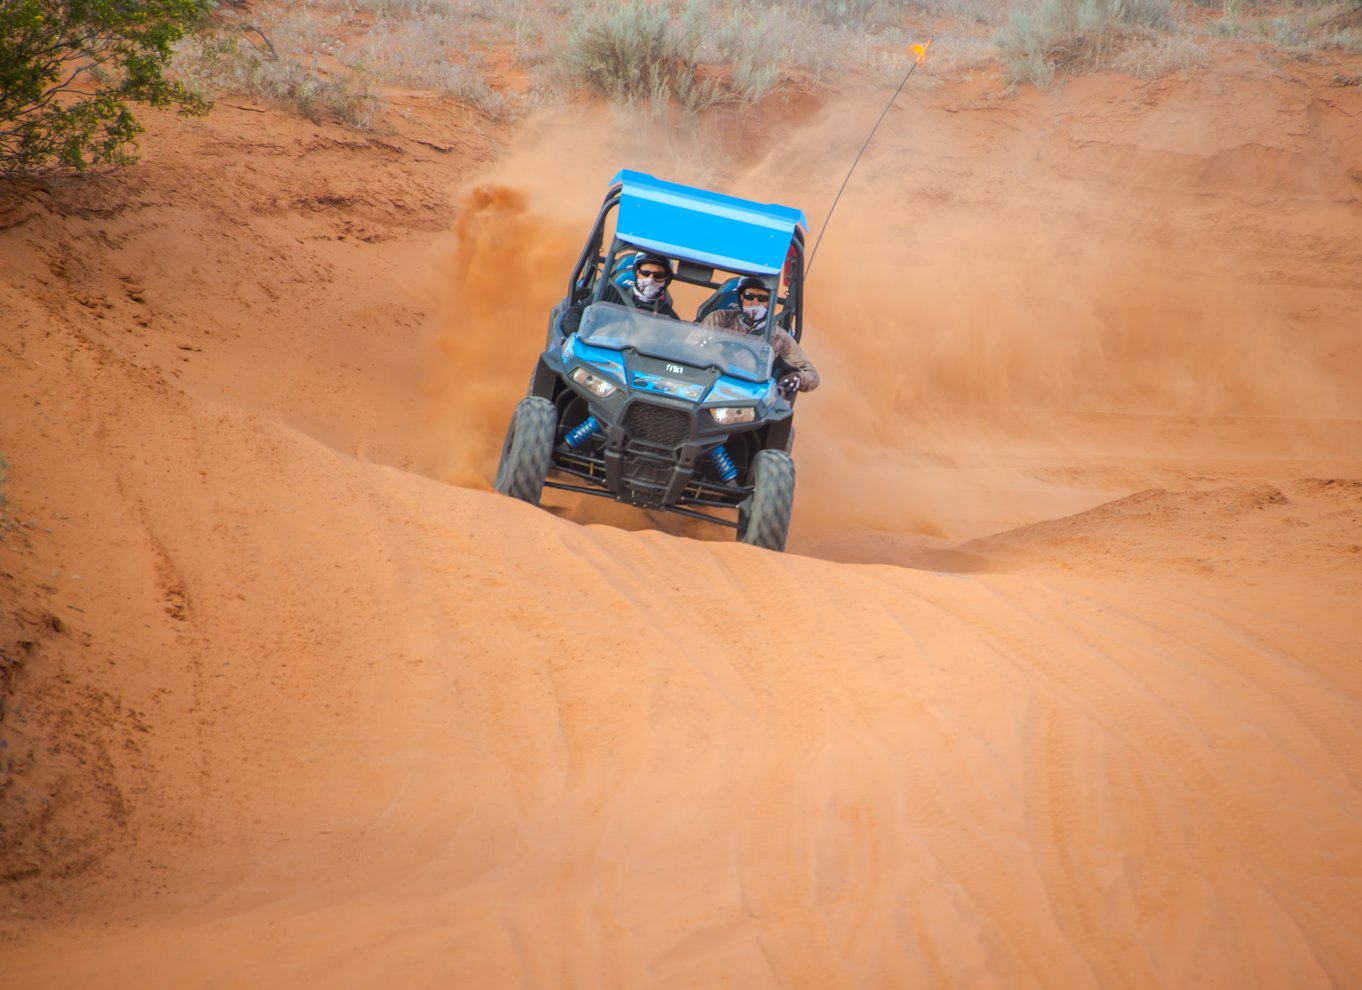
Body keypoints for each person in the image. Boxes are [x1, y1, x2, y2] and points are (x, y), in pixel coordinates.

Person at [697, 276, 819, 393]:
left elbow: (812, 374)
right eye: (749, 296)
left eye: (762, 298)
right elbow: (689, 346)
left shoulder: (778, 336)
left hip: (748, 393)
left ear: (770, 302)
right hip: (708, 380)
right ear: (741, 298)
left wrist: (797, 378)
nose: (754, 303)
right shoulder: (719, 318)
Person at [601, 252, 680, 320]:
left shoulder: (669, 317)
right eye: (645, 273)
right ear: (637, 273)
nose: (650, 279)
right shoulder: (609, 293)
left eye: (658, 275)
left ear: (667, 279)